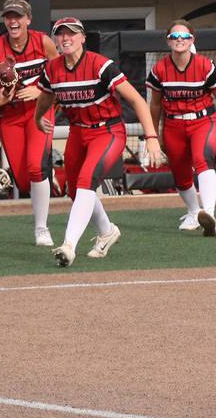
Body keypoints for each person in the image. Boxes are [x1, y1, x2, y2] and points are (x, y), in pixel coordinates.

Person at [34, 17, 162, 267]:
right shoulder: (52, 69)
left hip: (108, 131)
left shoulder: (101, 65)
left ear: (83, 38)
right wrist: (39, 117)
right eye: (60, 34)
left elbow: (137, 100)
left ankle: (69, 245)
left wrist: (152, 137)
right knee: (73, 189)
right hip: (78, 132)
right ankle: (107, 232)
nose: (66, 38)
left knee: (85, 182)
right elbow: (45, 98)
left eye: (72, 33)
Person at [0, 0, 59, 247]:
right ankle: (40, 191)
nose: (13, 21)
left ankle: (41, 228)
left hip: (40, 112)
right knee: (23, 178)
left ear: (28, 19)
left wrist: (41, 91)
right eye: (9, 16)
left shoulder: (43, 42)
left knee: (36, 167)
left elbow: (63, 74)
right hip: (11, 116)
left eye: (18, 16)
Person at [146, 20, 216, 236]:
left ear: (192, 40)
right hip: (173, 123)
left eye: (184, 37)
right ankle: (194, 212)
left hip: (202, 120)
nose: (179, 40)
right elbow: (155, 103)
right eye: (174, 37)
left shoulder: (205, 65)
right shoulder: (159, 69)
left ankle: (210, 212)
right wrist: (153, 135)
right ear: (168, 41)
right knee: (179, 171)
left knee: (202, 158)